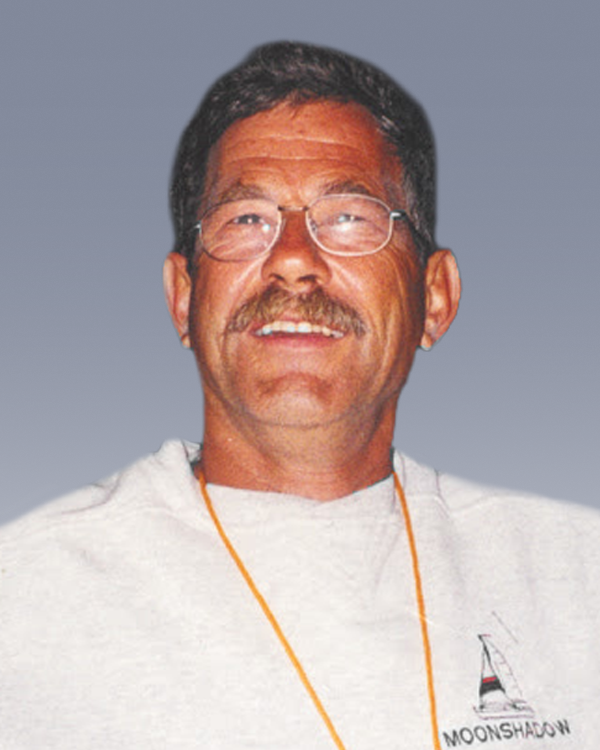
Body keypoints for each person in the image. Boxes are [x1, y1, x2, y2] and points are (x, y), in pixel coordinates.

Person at [1, 42, 598, 750]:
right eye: (245, 218)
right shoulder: (26, 599)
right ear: (183, 299)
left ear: (434, 298)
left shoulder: (577, 580)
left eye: (349, 216)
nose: (291, 258)